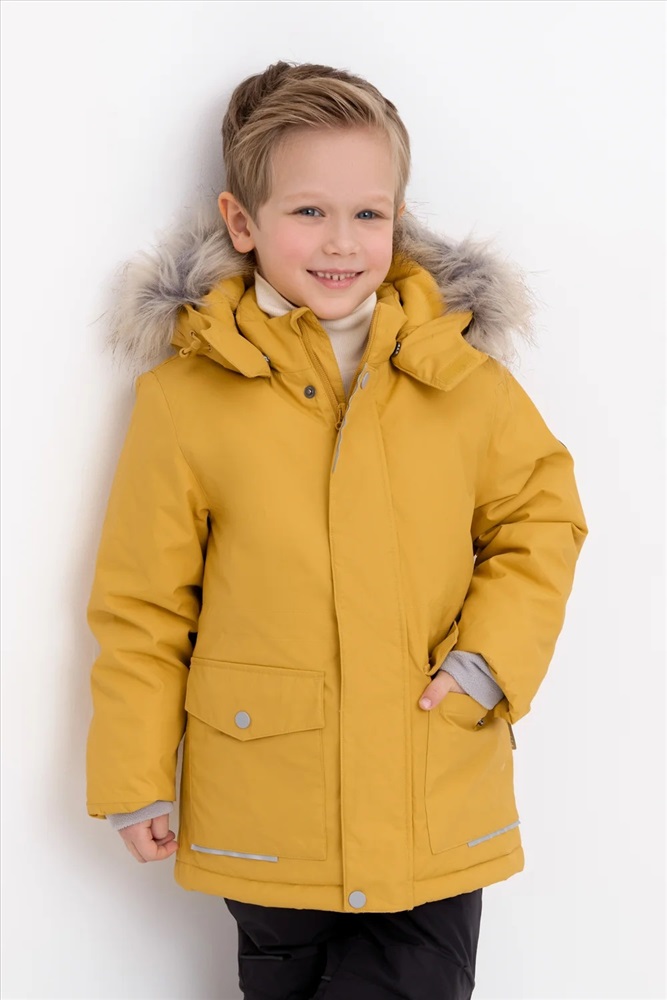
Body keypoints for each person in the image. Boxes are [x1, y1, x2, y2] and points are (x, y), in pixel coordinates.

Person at [85, 60, 588, 999]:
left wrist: (485, 662)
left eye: (368, 213)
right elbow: (143, 603)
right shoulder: (187, 399)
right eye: (308, 211)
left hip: (431, 790)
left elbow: (542, 516)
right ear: (242, 222)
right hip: (271, 801)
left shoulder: (461, 379)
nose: (342, 242)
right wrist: (133, 772)